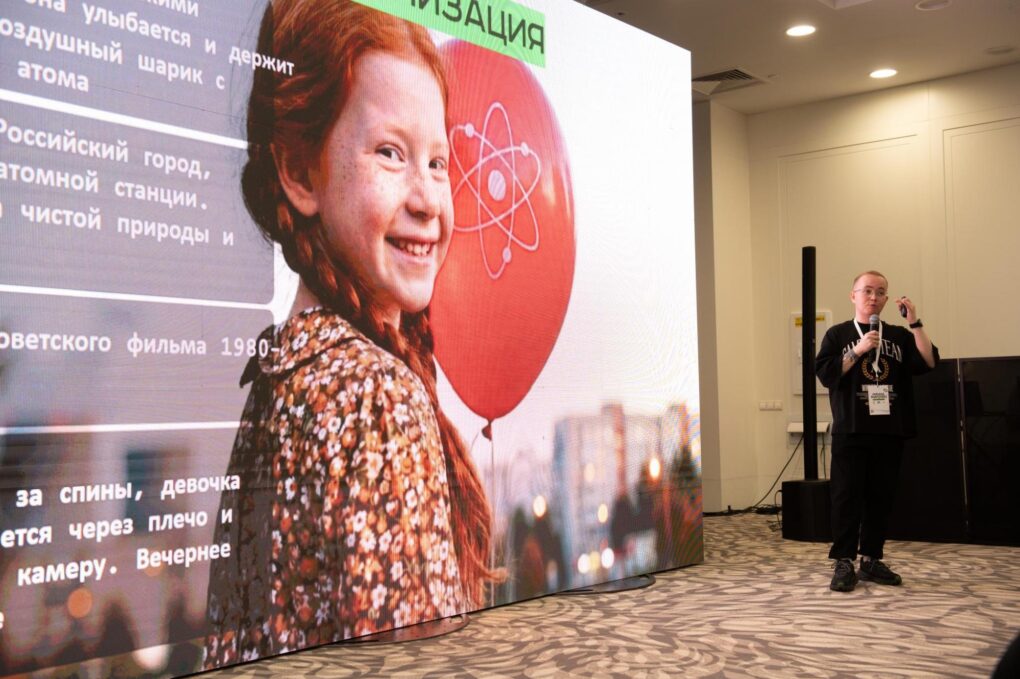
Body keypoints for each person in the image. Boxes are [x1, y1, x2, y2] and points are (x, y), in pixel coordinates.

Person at [203, 0, 494, 667]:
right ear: (300, 172)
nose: (428, 199)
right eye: (390, 153)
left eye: (438, 162)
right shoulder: (374, 398)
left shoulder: (282, 373)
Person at [815, 271, 937, 592]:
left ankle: (870, 559)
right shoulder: (837, 334)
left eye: (880, 292)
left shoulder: (898, 336)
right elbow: (826, 374)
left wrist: (915, 322)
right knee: (846, 497)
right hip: (851, 429)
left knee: (880, 497)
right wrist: (857, 351)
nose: (873, 297)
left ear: (886, 299)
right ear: (853, 295)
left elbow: (928, 360)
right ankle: (844, 561)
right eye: (867, 290)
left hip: (889, 429)